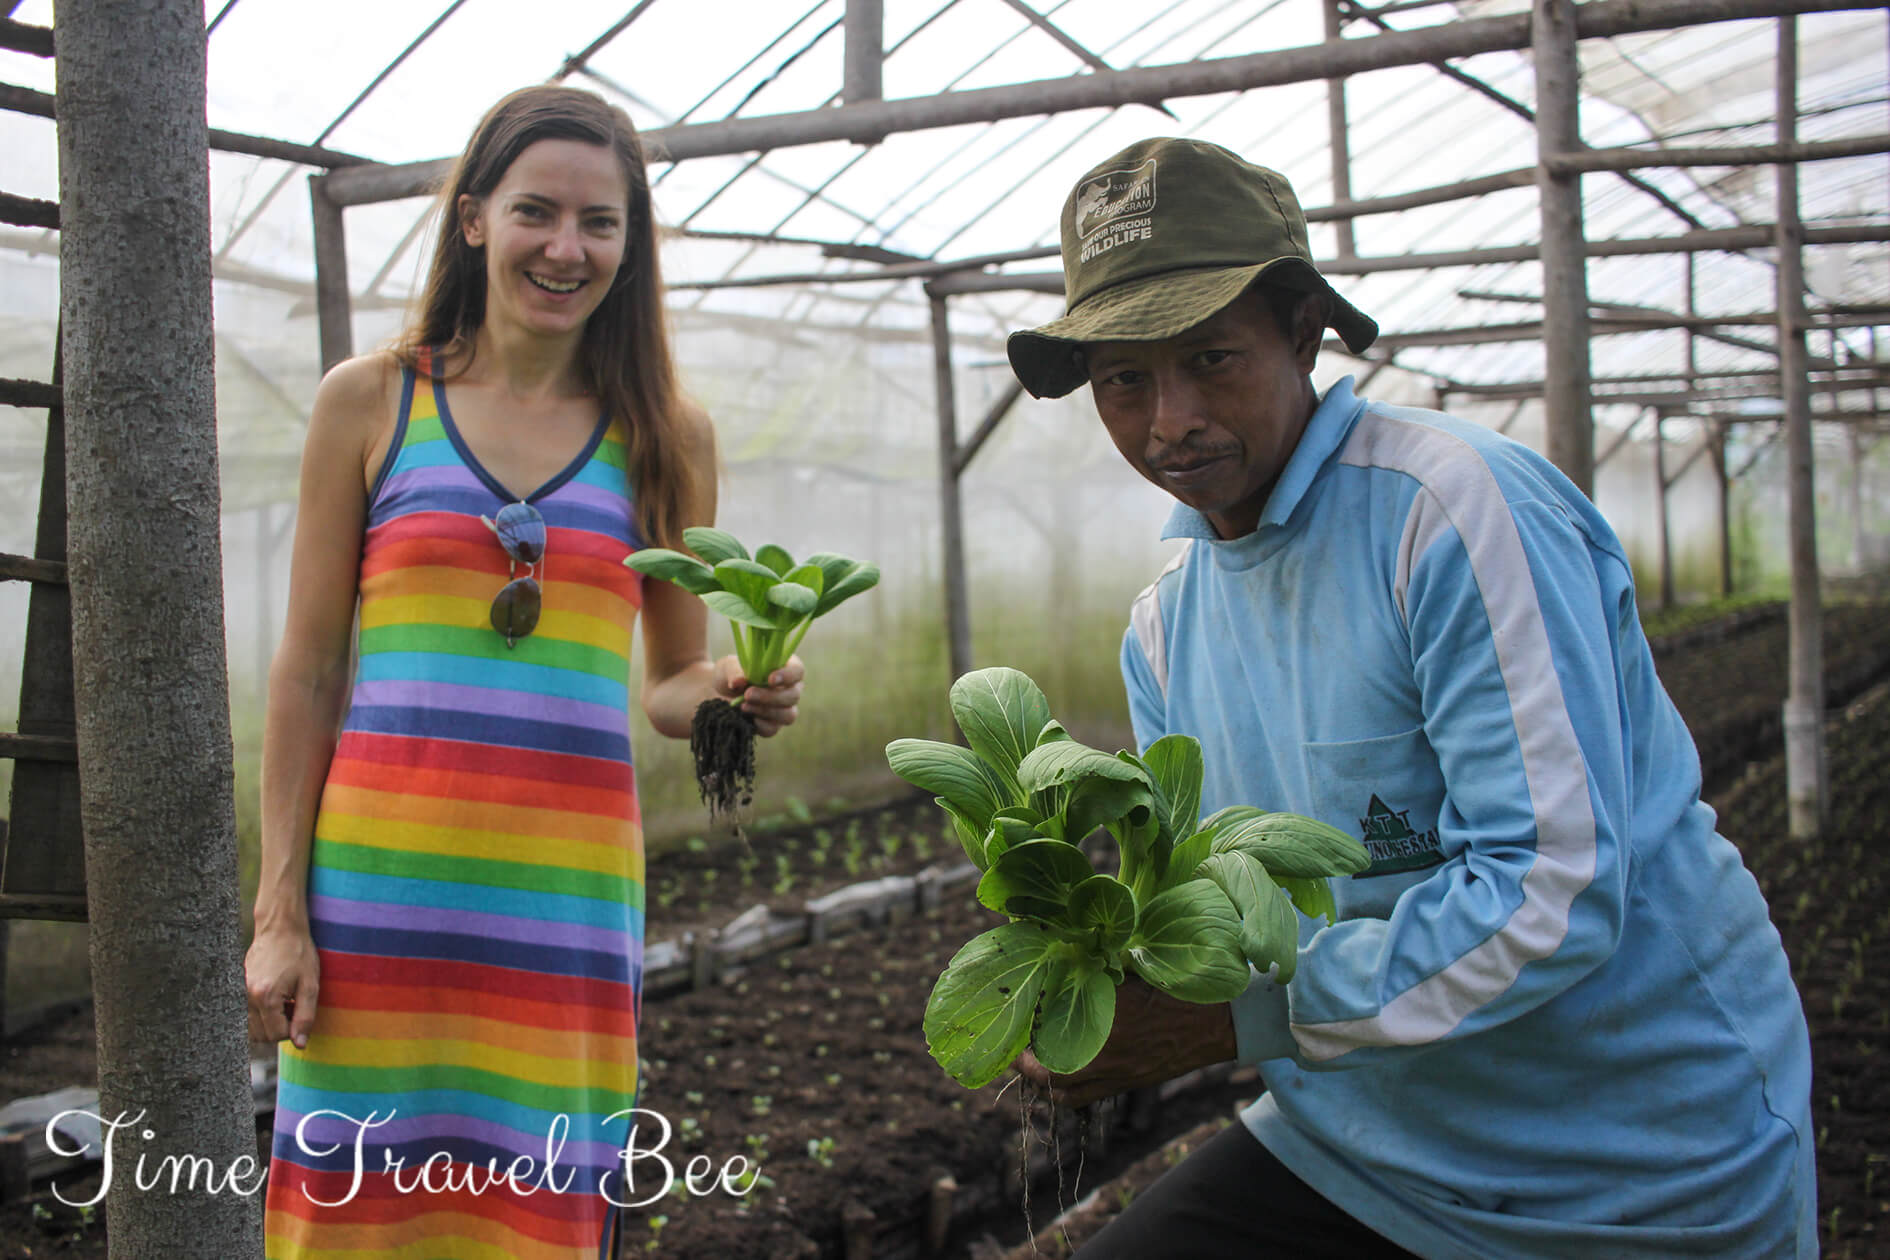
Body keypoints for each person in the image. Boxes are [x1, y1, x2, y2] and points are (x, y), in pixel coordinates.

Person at [1006, 137, 1815, 1259]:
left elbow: (1552, 894)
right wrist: (1106, 982)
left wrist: (1232, 1018)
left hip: (1633, 1165)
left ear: (1303, 335)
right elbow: (1232, 910)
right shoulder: (1165, 623)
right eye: (1124, 382)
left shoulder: (1451, 512)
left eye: (1211, 360)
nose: (1169, 420)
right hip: (1361, 1147)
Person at [242, 85, 804, 1258]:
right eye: (537, 211)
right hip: (377, 906)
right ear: (474, 220)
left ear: (629, 244)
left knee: (534, 1224)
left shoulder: (665, 434)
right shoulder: (373, 402)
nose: (568, 247)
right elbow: (305, 676)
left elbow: (669, 680)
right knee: (350, 1225)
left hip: (562, 912)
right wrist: (279, 912)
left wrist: (729, 701)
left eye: (600, 223)